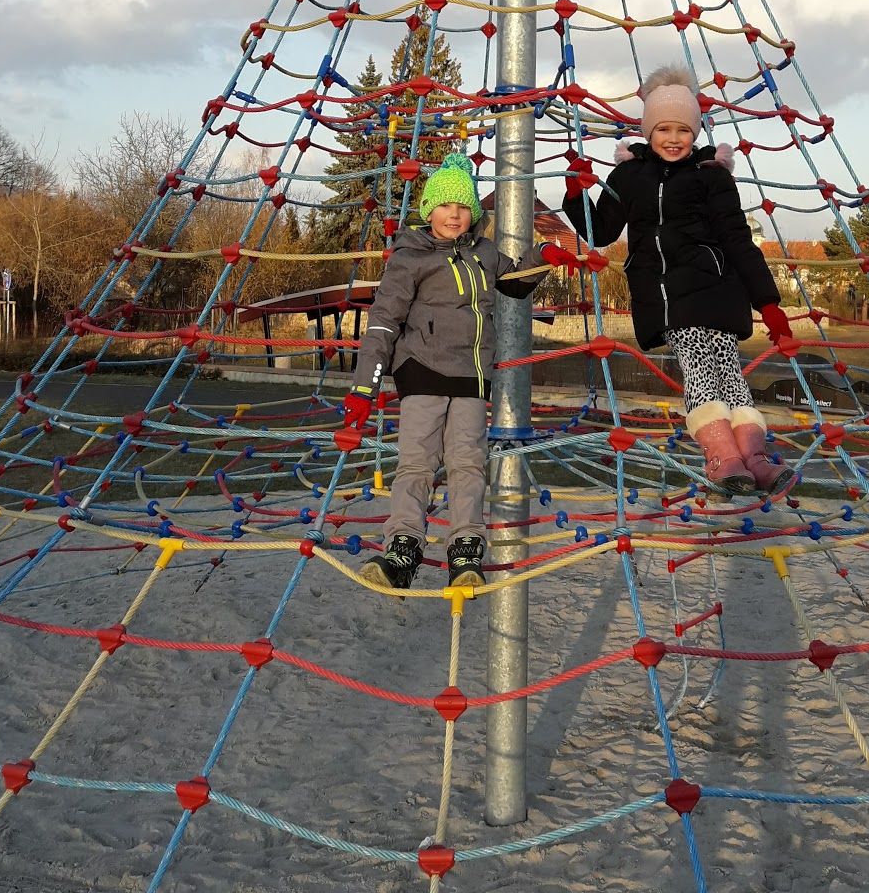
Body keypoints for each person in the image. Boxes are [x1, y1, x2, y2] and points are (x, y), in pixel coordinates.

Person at [560, 65, 796, 497]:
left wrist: (768, 303)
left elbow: (738, 240)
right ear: (648, 132)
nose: (673, 138)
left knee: (730, 373)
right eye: (663, 129)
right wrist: (576, 195)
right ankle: (723, 456)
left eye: (682, 130)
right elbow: (602, 232)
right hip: (668, 295)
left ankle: (755, 458)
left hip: (718, 291)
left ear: (695, 131)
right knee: (700, 369)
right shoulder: (629, 176)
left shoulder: (711, 176)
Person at [340, 151, 554, 591]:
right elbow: (384, 320)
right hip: (422, 371)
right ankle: (403, 548)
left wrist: (545, 254)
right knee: (417, 463)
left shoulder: (484, 252)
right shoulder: (411, 256)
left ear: (473, 213)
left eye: (462, 207)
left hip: (472, 377)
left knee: (468, 464)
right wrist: (365, 385)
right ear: (428, 210)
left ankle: (466, 550)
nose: (453, 215)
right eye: (444, 206)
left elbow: (515, 283)